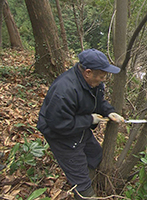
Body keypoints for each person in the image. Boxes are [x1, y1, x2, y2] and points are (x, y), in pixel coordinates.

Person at [37, 49, 125, 199]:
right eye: (102, 76)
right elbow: (58, 124)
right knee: (80, 179)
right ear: (88, 72)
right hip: (60, 134)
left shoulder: (93, 83)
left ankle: (92, 180)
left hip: (78, 126)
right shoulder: (64, 90)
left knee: (96, 156)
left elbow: (98, 101)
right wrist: (89, 120)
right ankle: (84, 190)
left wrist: (109, 111)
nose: (103, 79)